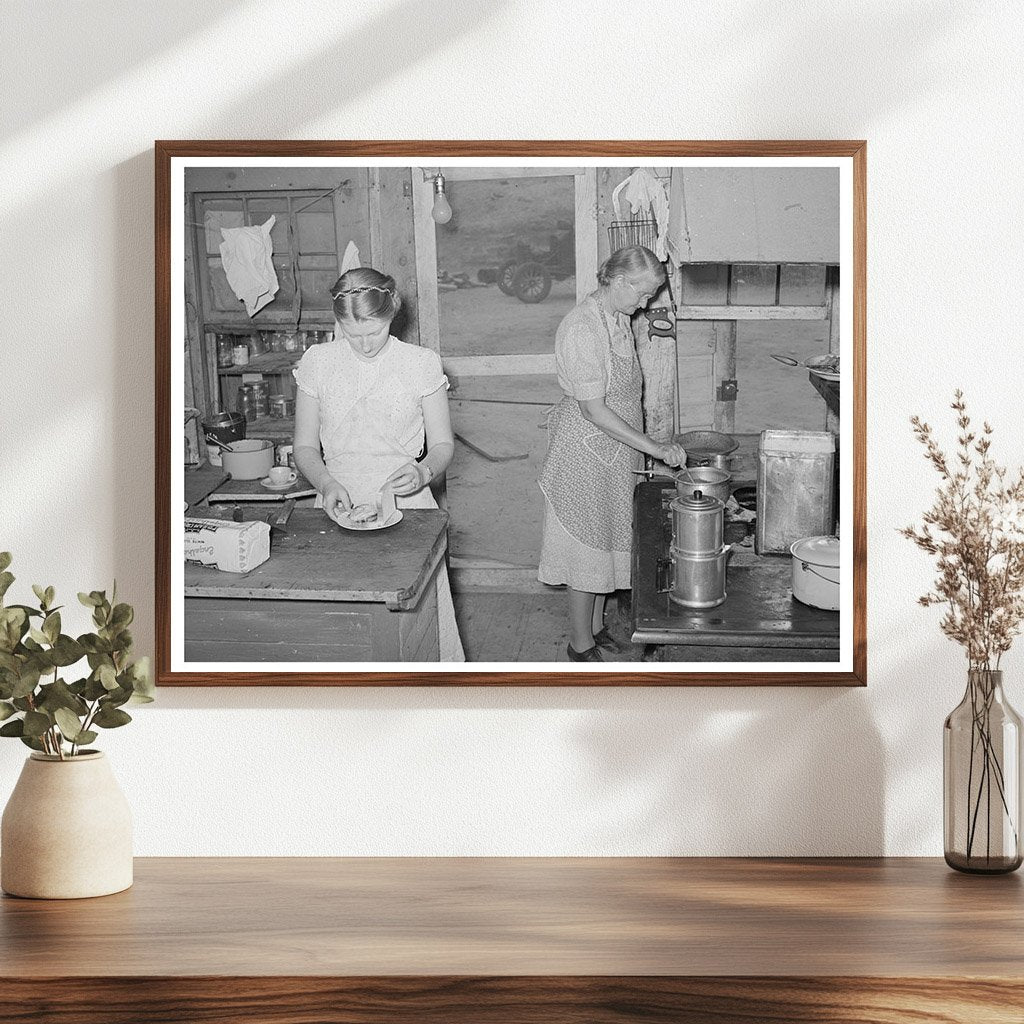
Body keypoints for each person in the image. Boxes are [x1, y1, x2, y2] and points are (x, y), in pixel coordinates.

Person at [292, 267, 465, 662]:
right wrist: (326, 484)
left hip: (407, 504)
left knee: (417, 627)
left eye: (374, 331)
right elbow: (304, 446)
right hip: (338, 504)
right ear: (337, 321)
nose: (365, 344)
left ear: (393, 314)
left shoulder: (420, 362)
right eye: (352, 334)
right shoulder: (318, 361)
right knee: (347, 627)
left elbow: (442, 444)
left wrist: (423, 471)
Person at [538, 245, 686, 662]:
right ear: (618, 282)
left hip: (615, 451)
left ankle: (598, 629)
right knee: (586, 548)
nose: (645, 304)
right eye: (642, 294)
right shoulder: (582, 327)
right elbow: (594, 409)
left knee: (606, 539)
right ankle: (579, 645)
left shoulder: (617, 317)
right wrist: (654, 447)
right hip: (585, 451)